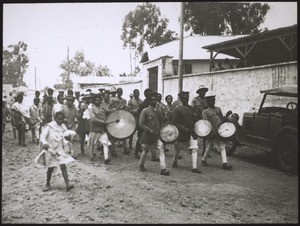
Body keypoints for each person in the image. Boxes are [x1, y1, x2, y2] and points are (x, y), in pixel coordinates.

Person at [37, 111, 75, 192]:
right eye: (59, 119)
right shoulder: (49, 126)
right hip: (51, 149)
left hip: (59, 149)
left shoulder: (63, 126)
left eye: (62, 119)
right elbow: (42, 136)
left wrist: (68, 138)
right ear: (55, 118)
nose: (60, 121)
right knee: (51, 167)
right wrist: (45, 143)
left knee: (63, 166)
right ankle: (47, 184)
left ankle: (67, 184)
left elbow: (66, 135)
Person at [139, 92, 170, 176]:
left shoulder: (159, 110)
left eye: (155, 100)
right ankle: (141, 165)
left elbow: (164, 119)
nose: (154, 102)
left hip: (157, 133)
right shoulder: (145, 111)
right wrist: (148, 129)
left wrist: (165, 115)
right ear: (149, 101)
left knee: (161, 149)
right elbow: (141, 124)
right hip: (149, 134)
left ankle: (163, 168)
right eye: (152, 100)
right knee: (145, 150)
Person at [171, 91, 202, 174]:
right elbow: (174, 122)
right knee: (177, 148)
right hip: (181, 132)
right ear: (181, 99)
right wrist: (182, 128)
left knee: (195, 148)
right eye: (184, 98)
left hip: (191, 132)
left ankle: (194, 167)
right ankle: (174, 161)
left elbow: (194, 119)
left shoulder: (191, 109)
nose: (186, 99)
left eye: (187, 98)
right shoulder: (177, 110)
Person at [201, 94, 233, 170]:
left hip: (219, 131)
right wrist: (209, 132)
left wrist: (226, 116)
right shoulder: (205, 112)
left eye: (213, 100)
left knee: (216, 146)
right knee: (216, 146)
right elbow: (206, 123)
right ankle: (224, 164)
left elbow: (221, 119)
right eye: (210, 101)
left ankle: (204, 160)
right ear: (207, 102)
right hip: (212, 132)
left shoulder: (218, 109)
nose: (212, 102)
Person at [136, 88, 159, 162]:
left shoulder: (155, 106)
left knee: (153, 142)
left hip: (151, 126)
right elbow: (140, 116)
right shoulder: (143, 104)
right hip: (144, 126)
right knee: (140, 140)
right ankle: (136, 153)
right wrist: (144, 127)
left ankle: (154, 156)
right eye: (149, 94)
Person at [88, 94, 111, 163]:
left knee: (105, 143)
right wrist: (103, 122)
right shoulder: (91, 109)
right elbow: (93, 119)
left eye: (99, 100)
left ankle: (106, 158)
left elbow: (108, 112)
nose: (98, 101)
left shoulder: (102, 108)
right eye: (97, 100)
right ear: (94, 101)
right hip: (94, 129)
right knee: (92, 144)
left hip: (101, 129)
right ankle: (91, 155)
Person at [110, 87, 130, 155]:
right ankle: (113, 151)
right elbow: (111, 109)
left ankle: (125, 149)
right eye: (119, 92)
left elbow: (126, 109)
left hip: (122, 118)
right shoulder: (113, 100)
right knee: (113, 134)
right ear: (116, 92)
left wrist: (125, 108)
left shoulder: (124, 100)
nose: (120, 93)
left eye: (121, 92)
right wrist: (118, 108)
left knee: (124, 134)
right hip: (115, 118)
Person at [127, 89, 143, 158]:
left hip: (139, 119)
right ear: (133, 94)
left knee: (140, 134)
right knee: (131, 133)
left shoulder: (140, 101)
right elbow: (129, 110)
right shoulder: (131, 101)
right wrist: (135, 110)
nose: (137, 94)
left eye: (138, 93)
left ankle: (139, 146)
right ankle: (130, 145)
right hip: (133, 118)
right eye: (136, 93)